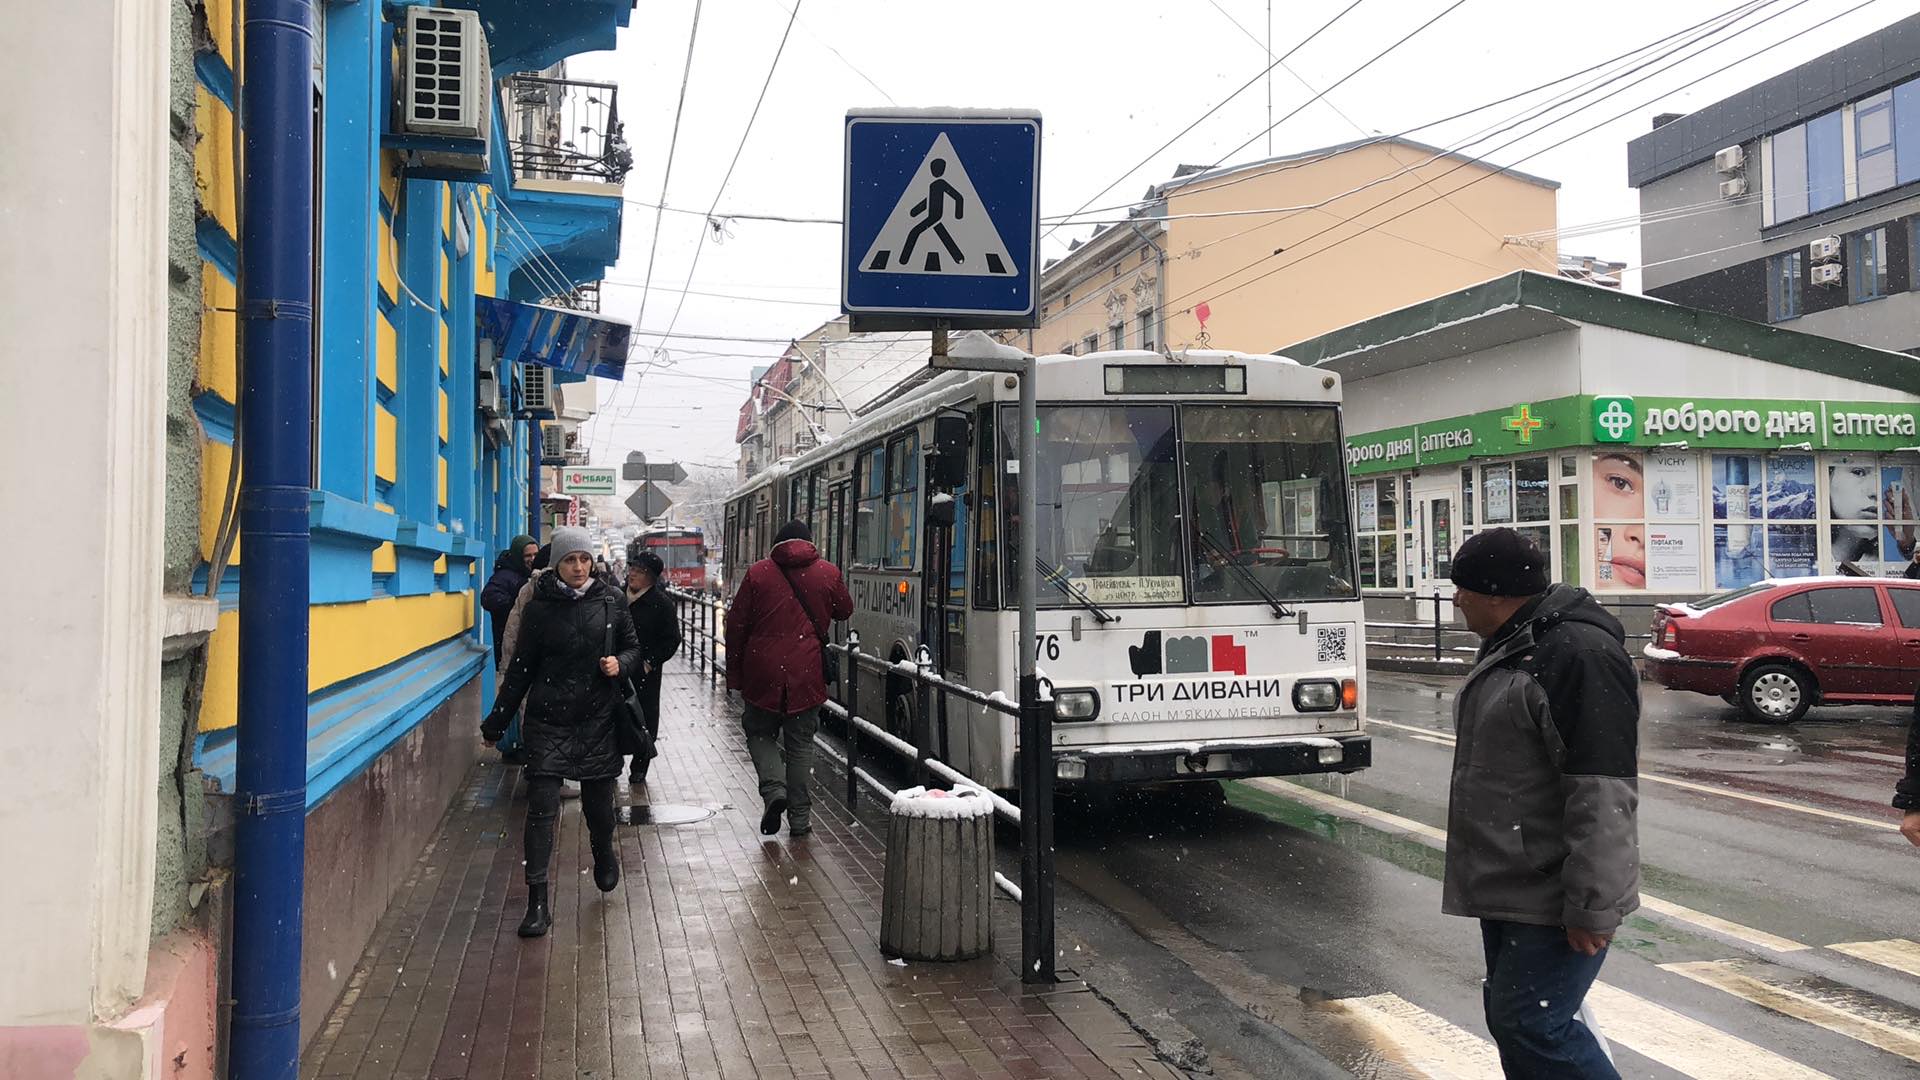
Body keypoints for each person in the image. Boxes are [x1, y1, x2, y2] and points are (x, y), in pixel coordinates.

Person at [1444, 528, 1639, 1079]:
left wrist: (1592, 905)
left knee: (1532, 1024)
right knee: (1516, 1022)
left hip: (1553, 891)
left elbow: (1601, 792)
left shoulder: (1576, 655)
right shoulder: (1518, 642)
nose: (1455, 600)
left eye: (1463, 588)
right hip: (1513, 884)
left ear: (1497, 594)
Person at [481, 526, 640, 939]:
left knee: (599, 809)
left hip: (597, 718)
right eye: (570, 560)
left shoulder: (612, 602)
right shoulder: (539, 608)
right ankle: (537, 903)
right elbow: (520, 671)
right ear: (557, 565)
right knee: (541, 812)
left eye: (584, 559)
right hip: (548, 720)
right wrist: (496, 722)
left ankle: (604, 853)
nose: (578, 566)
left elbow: (633, 648)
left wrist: (619, 664)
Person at [724, 520, 852, 837]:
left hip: (761, 670)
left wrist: (735, 674)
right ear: (809, 543)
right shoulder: (827, 572)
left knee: (759, 732)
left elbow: (736, 626)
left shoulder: (758, 573)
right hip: (806, 671)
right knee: (800, 745)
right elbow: (844, 610)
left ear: (777, 545)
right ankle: (799, 819)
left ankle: (773, 789)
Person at [624, 549, 682, 783]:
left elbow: (672, 639)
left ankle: (640, 764)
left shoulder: (661, 604)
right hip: (617, 667)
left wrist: (651, 662)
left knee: (644, 718)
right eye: (632, 570)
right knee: (615, 713)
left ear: (651, 577)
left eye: (639, 572)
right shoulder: (617, 597)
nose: (632, 575)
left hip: (644, 672)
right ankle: (614, 760)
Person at [480, 534, 538, 667]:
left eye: (535, 554)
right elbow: (488, 598)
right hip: (511, 648)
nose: (532, 559)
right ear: (518, 556)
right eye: (527, 555)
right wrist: (517, 604)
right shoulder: (505, 576)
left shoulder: (529, 574)